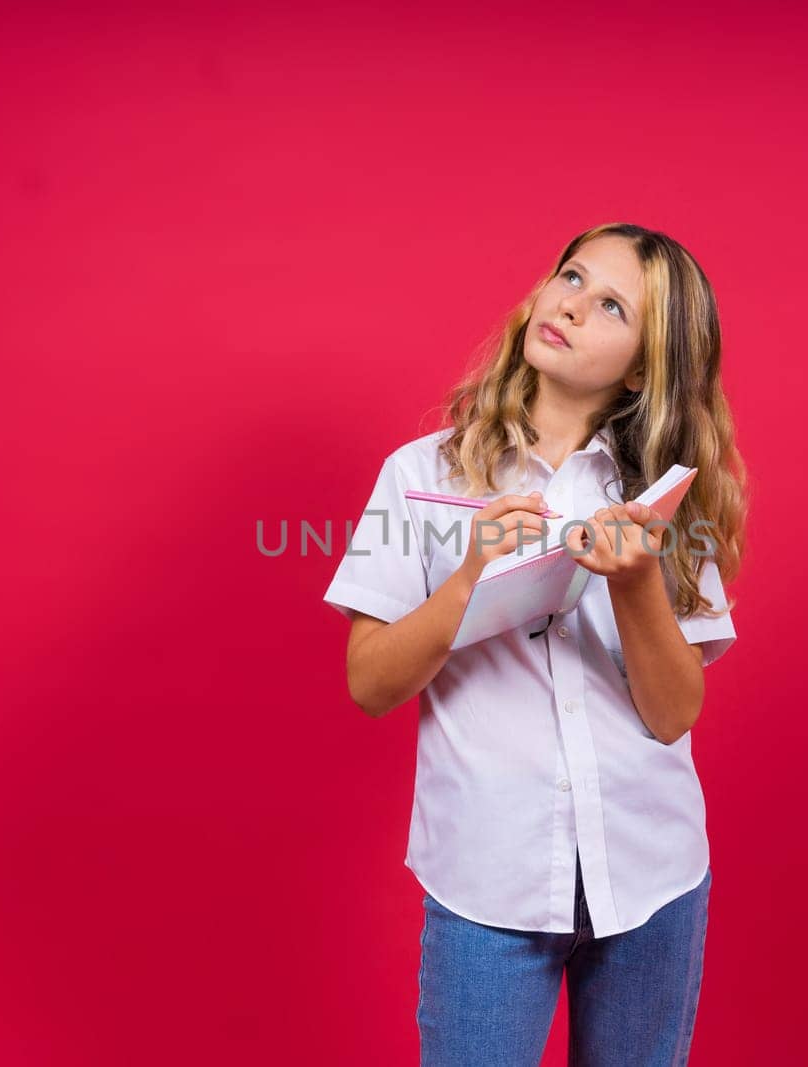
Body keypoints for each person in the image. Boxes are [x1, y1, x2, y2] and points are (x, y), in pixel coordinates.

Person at [322, 221, 748, 1066]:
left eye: (611, 304)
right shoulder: (418, 476)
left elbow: (673, 715)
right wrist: (468, 580)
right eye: (571, 276)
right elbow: (369, 683)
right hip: (490, 878)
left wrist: (634, 586)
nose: (572, 304)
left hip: (651, 877)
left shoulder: (667, 498)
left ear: (642, 364)